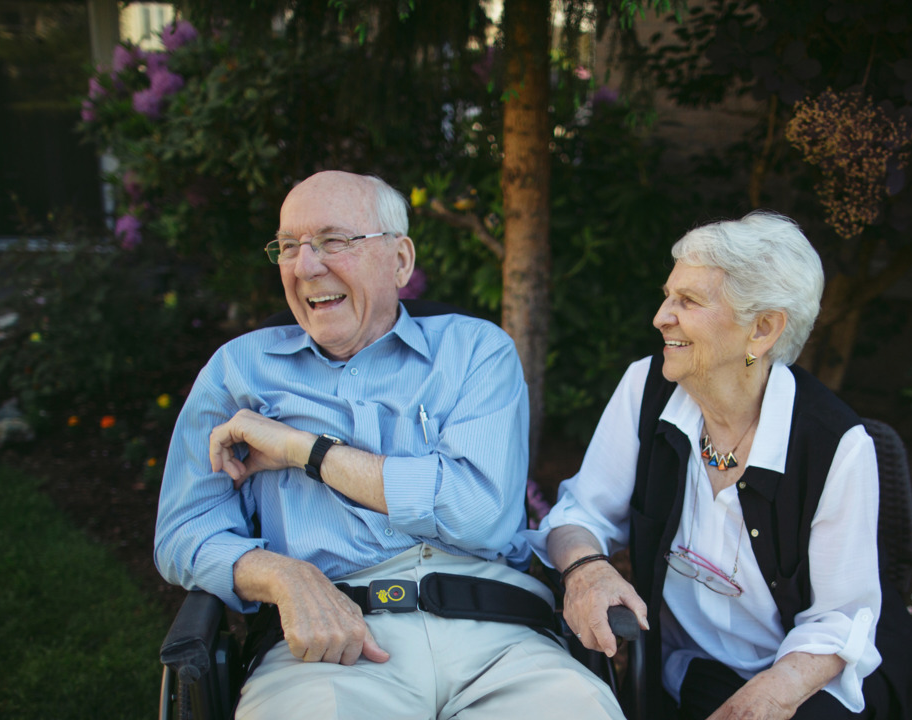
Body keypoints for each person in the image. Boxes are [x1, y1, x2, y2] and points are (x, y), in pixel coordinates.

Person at [155, 171, 623, 720]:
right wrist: (283, 575)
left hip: (498, 639)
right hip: (329, 647)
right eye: (288, 247)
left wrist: (306, 451)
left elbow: (481, 515)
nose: (305, 266)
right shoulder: (238, 370)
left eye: (334, 241)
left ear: (400, 260)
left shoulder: (474, 351)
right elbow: (184, 530)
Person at [530, 212, 912, 719]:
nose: (660, 316)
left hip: (809, 679)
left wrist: (769, 696)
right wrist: (587, 570)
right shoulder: (647, 389)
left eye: (689, 301)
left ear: (762, 329)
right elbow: (579, 514)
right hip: (696, 671)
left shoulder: (836, 443)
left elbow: (840, 619)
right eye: (667, 295)